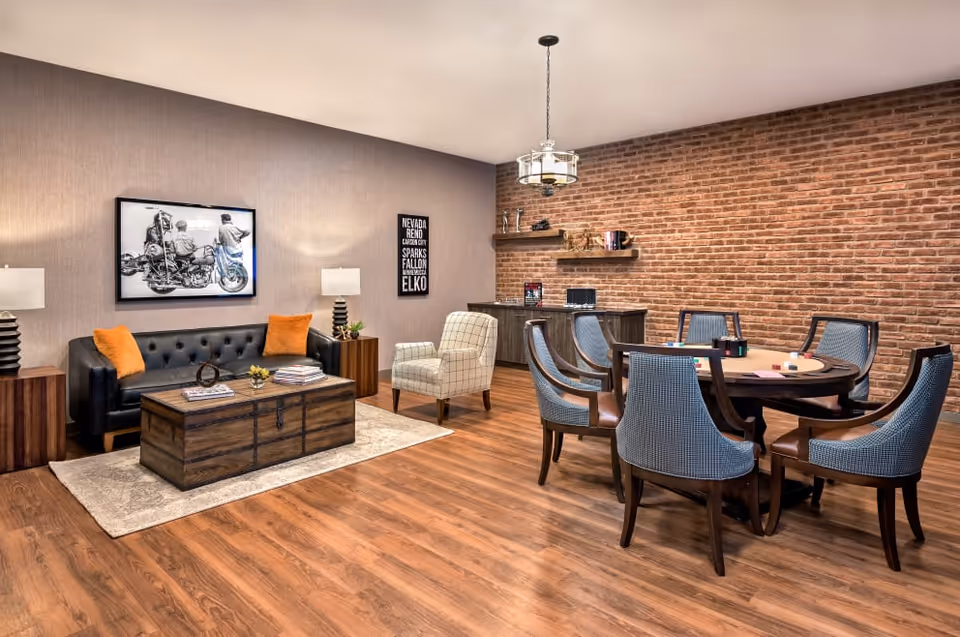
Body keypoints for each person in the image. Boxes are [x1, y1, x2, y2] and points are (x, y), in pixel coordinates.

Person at [215, 213, 250, 285]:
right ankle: (240, 279)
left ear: (223, 220)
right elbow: (248, 231)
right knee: (238, 264)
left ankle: (229, 277)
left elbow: (221, 240)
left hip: (228, 249)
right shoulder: (234, 226)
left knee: (227, 264)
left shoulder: (221, 227)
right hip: (237, 249)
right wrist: (240, 237)